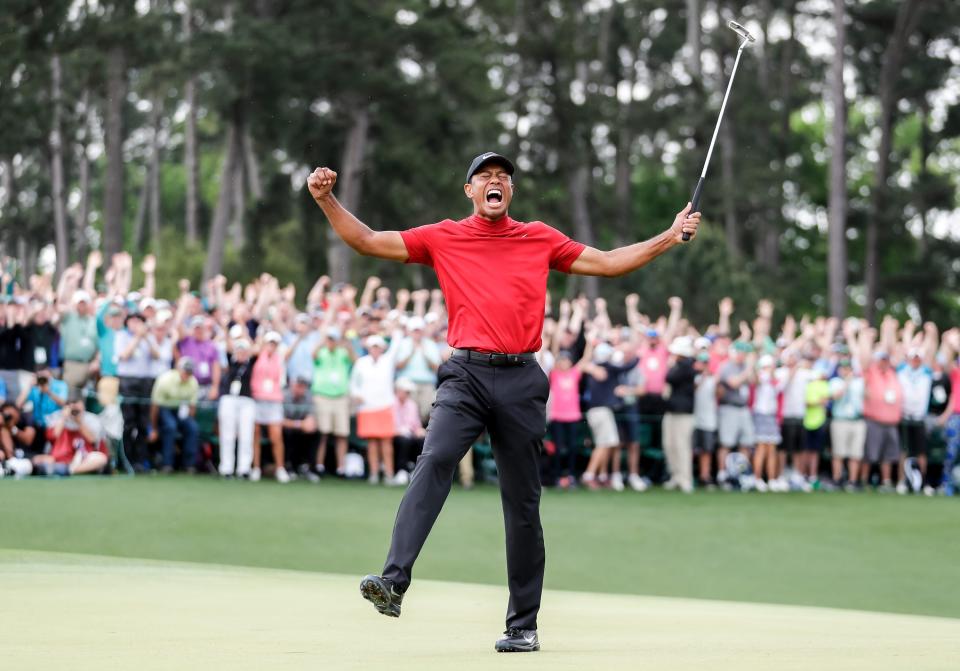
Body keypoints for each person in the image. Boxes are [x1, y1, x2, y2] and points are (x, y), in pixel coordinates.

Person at [307, 151, 699, 651]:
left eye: (503, 178)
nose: (495, 182)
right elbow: (365, 241)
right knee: (436, 458)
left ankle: (522, 626)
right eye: (485, 177)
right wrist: (327, 199)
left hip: (521, 379)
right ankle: (393, 582)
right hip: (465, 375)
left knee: (522, 504)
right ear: (469, 190)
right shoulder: (443, 236)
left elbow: (608, 263)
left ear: (510, 192)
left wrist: (669, 235)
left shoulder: (539, 237)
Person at [350, 334, 402, 485]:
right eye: (373, 347)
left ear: (382, 348)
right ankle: (373, 473)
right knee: (371, 443)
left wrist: (395, 330)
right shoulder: (361, 363)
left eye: (378, 347)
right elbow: (354, 384)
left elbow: (396, 345)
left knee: (386, 443)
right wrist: (357, 395)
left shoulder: (387, 361)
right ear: (369, 348)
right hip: (367, 407)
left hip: (385, 406)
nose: (375, 350)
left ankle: (388, 474)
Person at [312, 327, 355, 476]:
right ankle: (319, 466)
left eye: (333, 339)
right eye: (329, 339)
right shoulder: (322, 352)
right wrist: (323, 340)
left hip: (340, 396)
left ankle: (341, 467)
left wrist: (346, 341)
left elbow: (354, 360)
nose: (331, 342)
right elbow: (313, 354)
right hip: (323, 396)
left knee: (341, 434)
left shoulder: (342, 353)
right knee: (323, 433)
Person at [251, 331, 291, 483]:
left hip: (273, 401)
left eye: (274, 344)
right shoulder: (257, 356)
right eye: (269, 343)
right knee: (255, 435)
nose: (271, 346)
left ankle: (280, 468)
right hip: (258, 399)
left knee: (276, 436)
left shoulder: (280, 360)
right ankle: (255, 468)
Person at [149, 357, 200, 473]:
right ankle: (167, 464)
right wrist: (154, 428)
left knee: (193, 428)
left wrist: (187, 422)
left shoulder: (193, 382)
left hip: (181, 410)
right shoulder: (165, 380)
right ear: (178, 369)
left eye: (189, 372)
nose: (186, 375)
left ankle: (189, 464)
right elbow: (155, 406)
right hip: (164, 408)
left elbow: (192, 408)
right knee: (170, 426)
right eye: (185, 371)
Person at [33, 397, 108, 476]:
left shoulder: (90, 418)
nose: (74, 410)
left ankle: (69, 470)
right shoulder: (58, 417)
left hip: (83, 457)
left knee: (101, 459)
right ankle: (63, 469)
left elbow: (93, 440)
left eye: (77, 406)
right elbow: (52, 437)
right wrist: (63, 417)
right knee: (37, 460)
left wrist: (79, 422)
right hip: (60, 457)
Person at [716, 341, 756, 488]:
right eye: (740, 352)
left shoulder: (745, 367)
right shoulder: (727, 366)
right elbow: (734, 383)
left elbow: (754, 382)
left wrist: (751, 368)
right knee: (726, 443)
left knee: (746, 442)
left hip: (743, 408)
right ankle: (723, 474)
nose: (742, 356)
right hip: (730, 408)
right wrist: (749, 369)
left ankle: (742, 473)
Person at [218, 335, 257, 478]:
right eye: (239, 350)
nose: (241, 353)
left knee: (246, 435)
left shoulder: (251, 362)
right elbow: (228, 346)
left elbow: (256, 348)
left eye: (244, 350)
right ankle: (226, 468)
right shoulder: (231, 361)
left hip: (246, 400)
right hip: (229, 399)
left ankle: (244, 468)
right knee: (227, 434)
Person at [896, 347, 933, 494]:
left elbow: (931, 351)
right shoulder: (902, 370)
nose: (915, 361)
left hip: (919, 418)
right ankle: (902, 481)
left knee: (921, 452)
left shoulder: (926, 372)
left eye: (918, 358)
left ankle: (922, 482)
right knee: (904, 451)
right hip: (905, 416)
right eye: (913, 358)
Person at [662, 337, 696, 493]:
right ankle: (675, 475)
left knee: (682, 446)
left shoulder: (687, 367)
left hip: (684, 413)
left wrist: (671, 366)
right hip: (671, 410)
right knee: (670, 445)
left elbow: (670, 378)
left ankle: (685, 478)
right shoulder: (678, 366)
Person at [547, 350, 583, 489]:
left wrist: (591, 342)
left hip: (573, 416)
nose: (564, 362)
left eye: (566, 360)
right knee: (557, 448)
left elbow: (585, 359)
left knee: (573, 447)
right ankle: (557, 476)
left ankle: (571, 476)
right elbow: (554, 354)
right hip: (557, 417)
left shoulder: (575, 373)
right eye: (561, 360)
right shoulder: (554, 374)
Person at [829, 359, 865, 491]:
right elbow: (836, 396)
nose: (846, 371)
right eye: (843, 368)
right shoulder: (835, 382)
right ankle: (837, 479)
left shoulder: (859, 382)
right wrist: (846, 382)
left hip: (856, 420)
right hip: (841, 420)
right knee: (838, 452)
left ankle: (853, 481)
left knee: (856, 453)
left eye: (848, 368)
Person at [752, 354, 784, 492]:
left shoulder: (775, 380)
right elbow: (757, 380)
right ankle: (757, 478)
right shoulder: (760, 377)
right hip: (760, 415)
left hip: (771, 416)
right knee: (762, 448)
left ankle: (771, 479)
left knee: (772, 449)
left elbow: (779, 386)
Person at [282, 375, 320, 482]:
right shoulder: (284, 395)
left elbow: (311, 419)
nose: (301, 389)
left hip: (302, 428)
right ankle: (288, 466)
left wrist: (307, 423)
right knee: (288, 434)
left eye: (303, 386)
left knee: (315, 433)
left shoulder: (308, 396)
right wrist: (299, 424)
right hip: (288, 428)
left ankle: (308, 467)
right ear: (292, 385)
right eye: (298, 386)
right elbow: (280, 421)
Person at [692, 350, 719, 487]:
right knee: (692, 450)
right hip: (694, 419)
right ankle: (689, 475)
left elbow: (718, 394)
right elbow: (693, 390)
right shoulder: (694, 378)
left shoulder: (713, 379)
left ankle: (705, 475)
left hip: (709, 419)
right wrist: (702, 377)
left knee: (707, 450)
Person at [393, 378, 425, 477]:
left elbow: (416, 425)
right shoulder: (390, 403)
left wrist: (419, 431)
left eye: (408, 392)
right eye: (406, 391)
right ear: (398, 391)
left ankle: (416, 469)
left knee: (422, 440)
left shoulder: (412, 405)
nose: (407, 394)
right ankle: (401, 470)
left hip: (410, 434)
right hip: (395, 434)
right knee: (404, 441)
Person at [1, 402, 37, 477]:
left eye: (11, 414)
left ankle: (11, 468)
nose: (9, 417)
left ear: (17, 411)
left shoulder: (26, 417)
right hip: (9, 457)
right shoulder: (3, 426)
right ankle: (9, 467)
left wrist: (12, 428)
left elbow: (28, 440)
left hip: (28, 454)